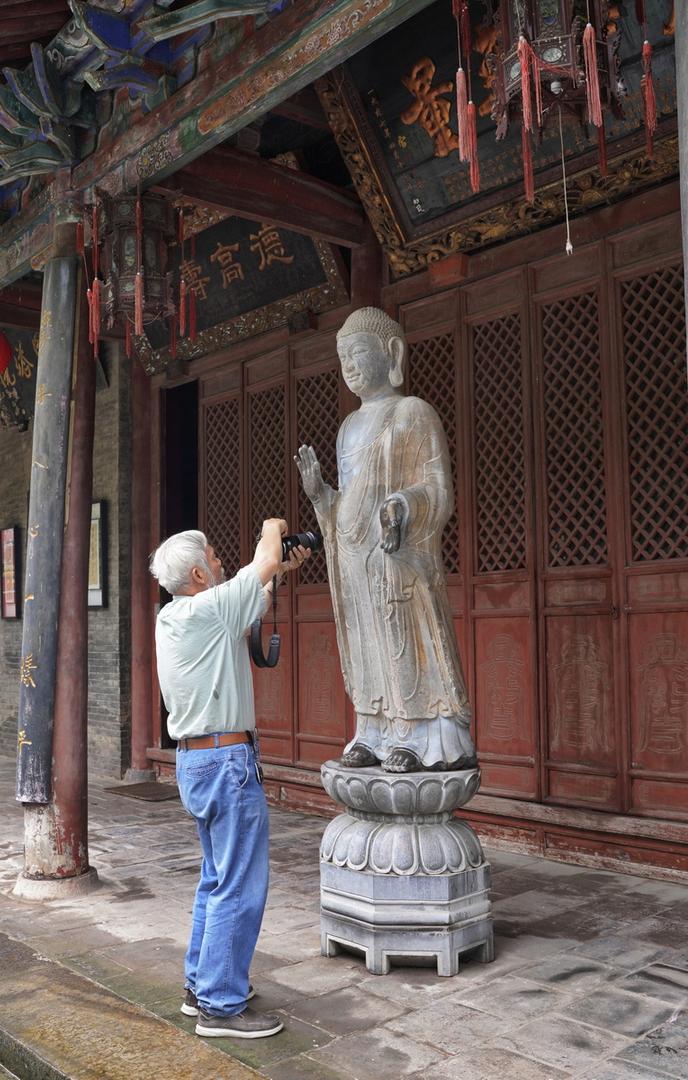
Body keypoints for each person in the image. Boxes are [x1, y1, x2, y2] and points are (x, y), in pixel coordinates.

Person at [295, 306, 477, 773]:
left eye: (357, 353)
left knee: (402, 640)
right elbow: (347, 504)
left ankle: (419, 734)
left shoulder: (412, 412)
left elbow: (438, 491)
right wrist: (322, 496)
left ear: (390, 352)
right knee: (365, 643)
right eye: (342, 359)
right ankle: (372, 731)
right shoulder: (347, 427)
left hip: (398, 557)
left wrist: (401, 505)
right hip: (354, 555)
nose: (349, 367)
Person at [150, 522, 309, 1039]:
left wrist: (279, 570)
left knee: (217, 878)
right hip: (225, 762)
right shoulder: (209, 610)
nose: (221, 564)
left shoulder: (178, 616)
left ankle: (202, 988)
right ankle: (222, 1006)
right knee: (238, 883)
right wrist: (272, 530)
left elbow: (252, 596)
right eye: (215, 559)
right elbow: (257, 562)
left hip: (199, 763)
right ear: (198, 572)